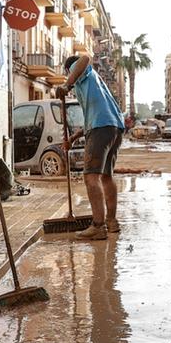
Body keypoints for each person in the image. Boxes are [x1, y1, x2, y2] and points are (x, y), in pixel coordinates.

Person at [55, 54, 125, 240]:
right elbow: (90, 118)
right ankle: (111, 222)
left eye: (67, 74)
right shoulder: (91, 85)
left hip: (102, 127)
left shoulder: (83, 71)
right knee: (106, 176)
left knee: (90, 177)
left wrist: (66, 84)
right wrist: (73, 138)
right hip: (114, 127)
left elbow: (85, 58)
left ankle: (98, 226)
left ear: (70, 70)